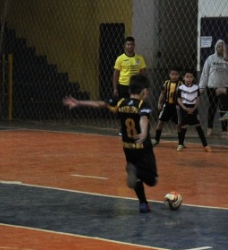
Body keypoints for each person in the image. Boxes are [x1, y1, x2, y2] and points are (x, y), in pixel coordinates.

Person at [64, 74, 159, 214]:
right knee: (152, 180)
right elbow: (143, 118)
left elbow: (98, 104)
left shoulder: (120, 102)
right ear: (144, 91)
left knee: (136, 176)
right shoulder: (143, 105)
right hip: (143, 147)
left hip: (128, 147)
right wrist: (144, 132)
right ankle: (135, 172)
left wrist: (79, 102)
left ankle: (143, 204)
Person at [199, 39, 228, 137]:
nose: (221, 48)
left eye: (223, 46)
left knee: (224, 109)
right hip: (212, 87)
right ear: (216, 47)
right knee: (212, 108)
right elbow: (205, 74)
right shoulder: (210, 59)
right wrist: (201, 87)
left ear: (226, 48)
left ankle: (224, 131)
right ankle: (209, 129)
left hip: (225, 88)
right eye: (219, 46)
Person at [176, 69, 212, 152]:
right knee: (183, 126)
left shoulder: (196, 88)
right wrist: (184, 108)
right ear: (183, 78)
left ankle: (205, 145)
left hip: (193, 108)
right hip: (184, 108)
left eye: (191, 77)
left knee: (198, 126)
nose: (189, 79)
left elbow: (198, 99)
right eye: (187, 77)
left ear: (193, 78)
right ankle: (180, 144)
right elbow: (178, 99)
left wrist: (194, 108)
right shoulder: (181, 88)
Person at [153, 67, 182, 146]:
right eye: (172, 74)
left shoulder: (181, 84)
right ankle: (156, 139)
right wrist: (159, 103)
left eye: (176, 74)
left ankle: (181, 142)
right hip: (167, 105)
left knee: (178, 124)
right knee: (160, 121)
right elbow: (162, 93)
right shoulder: (166, 83)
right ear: (169, 75)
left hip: (176, 106)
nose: (174, 76)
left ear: (179, 76)